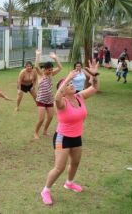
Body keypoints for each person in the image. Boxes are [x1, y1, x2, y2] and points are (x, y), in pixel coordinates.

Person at [40, 60, 99, 205]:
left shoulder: (80, 97)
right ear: (63, 90)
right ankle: (46, 190)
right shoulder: (62, 103)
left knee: (75, 162)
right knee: (59, 167)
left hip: (76, 137)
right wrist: (67, 79)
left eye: (71, 84)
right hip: (62, 138)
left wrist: (94, 74)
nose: (71, 85)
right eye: (67, 85)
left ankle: (69, 183)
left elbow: (95, 87)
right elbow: (56, 97)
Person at [34, 50, 62, 139]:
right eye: (49, 70)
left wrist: (55, 58)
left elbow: (60, 67)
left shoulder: (51, 74)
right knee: (41, 119)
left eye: (51, 70)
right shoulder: (40, 75)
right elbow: (36, 66)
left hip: (50, 100)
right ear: (45, 69)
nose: (51, 71)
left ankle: (45, 131)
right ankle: (35, 133)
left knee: (50, 117)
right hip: (41, 100)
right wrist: (38, 55)